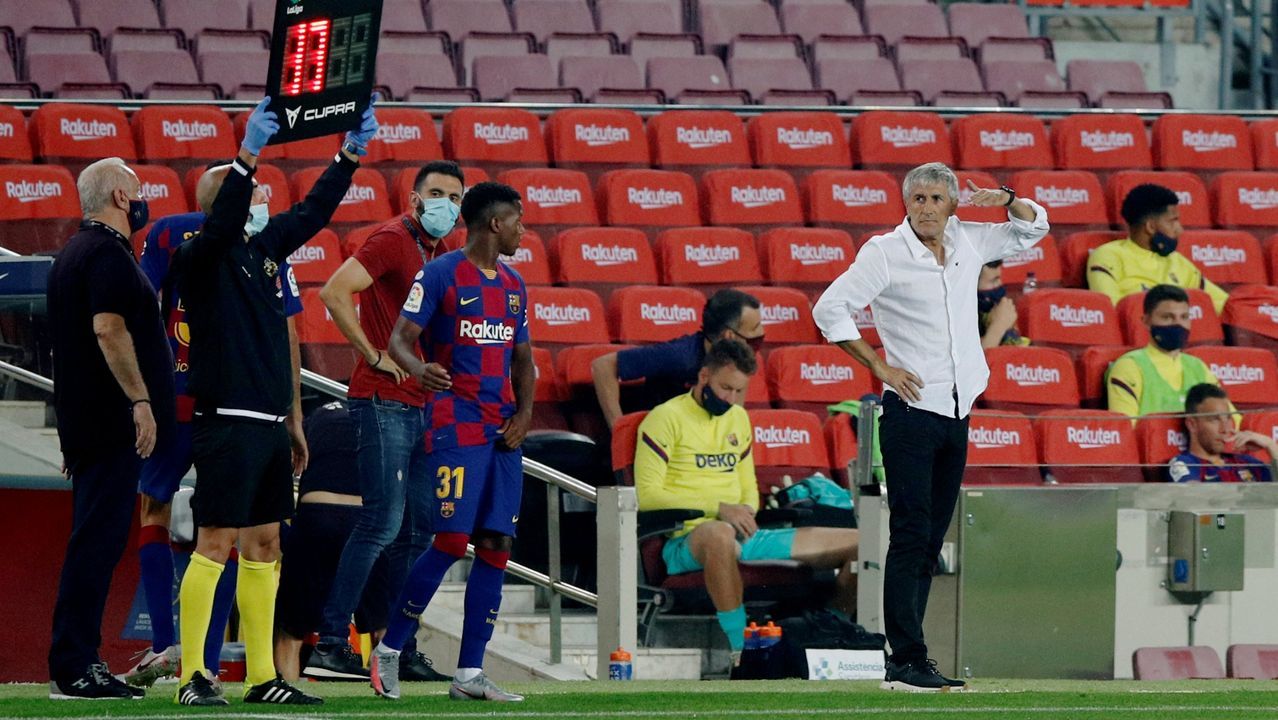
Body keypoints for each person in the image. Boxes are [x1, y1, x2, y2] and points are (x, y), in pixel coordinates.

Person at [170, 94, 376, 707]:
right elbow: (226, 219)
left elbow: (313, 213)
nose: (264, 200)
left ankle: (262, 677)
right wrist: (247, 156)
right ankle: (192, 676)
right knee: (215, 542)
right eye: (255, 193)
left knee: (265, 545)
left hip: (266, 424)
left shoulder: (264, 254)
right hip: (226, 424)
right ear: (226, 205)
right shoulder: (198, 257)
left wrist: (349, 155)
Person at [813, 163, 1048, 692]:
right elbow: (830, 309)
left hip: (958, 412)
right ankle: (906, 657)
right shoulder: (884, 252)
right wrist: (880, 367)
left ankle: (908, 661)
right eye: (917, 198)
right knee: (911, 534)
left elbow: (1034, 228)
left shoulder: (968, 238)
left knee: (930, 541)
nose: (926, 207)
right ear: (906, 203)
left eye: (936, 198)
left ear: (952, 204)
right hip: (911, 412)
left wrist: (1007, 198)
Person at [124, 197, 307, 687]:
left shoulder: (167, 233)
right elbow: (287, 330)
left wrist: (140, 393)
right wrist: (293, 413)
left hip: (176, 398)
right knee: (233, 530)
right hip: (235, 407)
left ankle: (167, 648)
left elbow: (140, 309)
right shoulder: (264, 244)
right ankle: (203, 662)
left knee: (156, 509)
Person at [371, 182, 535, 702]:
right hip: (455, 423)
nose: (523, 230)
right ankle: (389, 649)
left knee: (496, 545)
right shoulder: (440, 274)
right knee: (449, 540)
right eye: (518, 221)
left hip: (501, 429)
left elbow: (523, 359)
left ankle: (469, 674)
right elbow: (399, 340)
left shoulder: (514, 285)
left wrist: (524, 414)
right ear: (495, 223)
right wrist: (420, 369)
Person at [306, 161, 466, 682]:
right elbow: (334, 291)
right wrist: (372, 354)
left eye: (455, 197)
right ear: (415, 199)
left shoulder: (438, 249)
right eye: (437, 193)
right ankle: (331, 642)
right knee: (381, 523)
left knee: (418, 532)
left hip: (421, 404)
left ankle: (398, 649)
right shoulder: (393, 238)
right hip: (383, 399)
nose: (446, 205)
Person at [633, 339, 859, 664]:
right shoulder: (664, 418)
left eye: (740, 391)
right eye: (725, 388)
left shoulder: (738, 418)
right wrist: (719, 508)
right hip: (688, 538)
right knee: (719, 533)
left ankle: (829, 627)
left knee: (865, 543)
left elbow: (747, 487)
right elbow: (647, 495)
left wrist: (748, 510)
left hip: (745, 534)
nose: (732, 399)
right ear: (704, 376)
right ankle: (742, 649)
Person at [45, 157, 174, 699]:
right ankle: (75, 664)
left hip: (89, 422)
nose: (142, 200)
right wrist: (141, 400)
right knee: (96, 544)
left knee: (94, 542)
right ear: (121, 197)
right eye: (137, 190)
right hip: (108, 423)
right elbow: (108, 329)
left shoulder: (74, 252)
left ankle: (78, 660)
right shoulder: (106, 253)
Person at [274, 400, 395, 682]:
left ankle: (287, 688)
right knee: (382, 624)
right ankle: (388, 687)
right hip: (366, 518)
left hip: (317, 513)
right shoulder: (377, 421)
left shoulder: (309, 422)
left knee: (290, 629)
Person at [591, 289, 765, 429]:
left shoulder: (741, 359)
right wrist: (619, 428)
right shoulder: (679, 355)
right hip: (661, 439)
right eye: (755, 328)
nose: (762, 333)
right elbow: (603, 366)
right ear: (729, 336)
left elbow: (732, 416)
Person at [1088, 183, 1228, 315]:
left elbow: (1226, 307)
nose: (1179, 230)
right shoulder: (1108, 256)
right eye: (1173, 221)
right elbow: (1112, 311)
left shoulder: (1178, 261)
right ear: (1150, 227)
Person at [1106, 285, 1230, 418]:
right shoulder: (1129, 367)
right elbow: (1125, 426)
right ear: (1146, 321)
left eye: (1184, 317)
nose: (1178, 324)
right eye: (1167, 317)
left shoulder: (1198, 367)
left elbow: (1230, 419)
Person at [1168, 384, 1275, 483]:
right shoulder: (1183, 464)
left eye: (1228, 418)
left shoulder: (1245, 462)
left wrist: (1270, 445)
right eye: (1215, 419)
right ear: (1192, 424)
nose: (1225, 429)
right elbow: (1195, 495)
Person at [976, 260, 1029, 349]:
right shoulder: (959, 317)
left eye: (999, 279)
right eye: (994, 281)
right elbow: (975, 356)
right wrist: (999, 325)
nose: (1000, 285)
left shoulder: (997, 311)